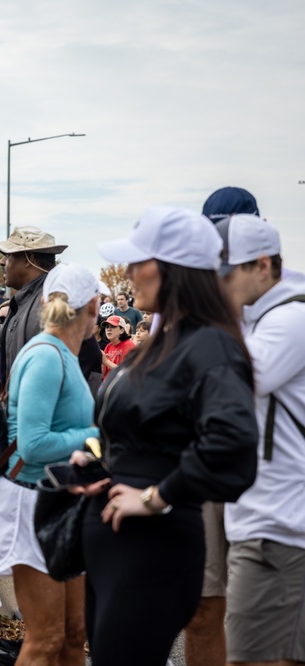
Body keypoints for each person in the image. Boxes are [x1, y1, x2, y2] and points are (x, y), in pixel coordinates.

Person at [74, 206, 258, 665]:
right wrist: (92, 461)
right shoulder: (158, 345)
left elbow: (232, 443)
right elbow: (121, 432)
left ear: (172, 270)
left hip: (151, 547)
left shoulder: (208, 343)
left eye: (140, 261)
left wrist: (157, 495)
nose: (129, 272)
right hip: (115, 544)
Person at [0, 264, 102, 664]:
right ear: (89, 307)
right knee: (47, 636)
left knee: (74, 634)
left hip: (57, 499)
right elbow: (33, 445)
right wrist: (97, 438)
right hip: (29, 501)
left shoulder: (63, 354)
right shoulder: (46, 356)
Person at [182, 185, 265, 666]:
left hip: (270, 476)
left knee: (260, 612)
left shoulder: (286, 301)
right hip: (206, 467)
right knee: (203, 609)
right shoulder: (190, 299)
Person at [217, 214, 305, 666]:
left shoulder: (290, 319)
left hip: (280, 526)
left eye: (227, 273)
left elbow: (234, 379)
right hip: (270, 521)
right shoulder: (261, 317)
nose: (220, 285)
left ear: (263, 266)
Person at [0, 226, 67, 388]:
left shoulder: (52, 304)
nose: (1, 262)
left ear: (28, 259)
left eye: (8, 255)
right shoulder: (22, 302)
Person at [100, 314, 136, 380]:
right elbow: (102, 375)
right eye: (107, 327)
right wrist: (102, 363)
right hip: (107, 384)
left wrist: (106, 362)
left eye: (113, 326)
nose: (108, 329)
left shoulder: (129, 346)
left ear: (122, 330)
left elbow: (125, 372)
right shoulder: (108, 346)